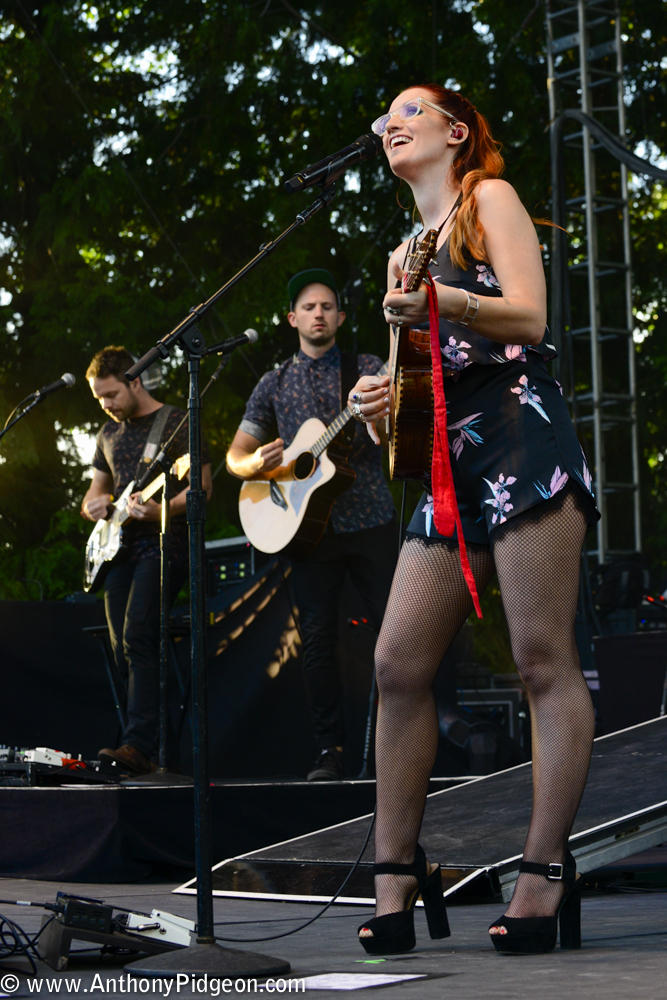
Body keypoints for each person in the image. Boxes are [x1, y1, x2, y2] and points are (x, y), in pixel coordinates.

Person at [350, 85, 598, 956]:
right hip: (446, 462)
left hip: (520, 433)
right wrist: (380, 403)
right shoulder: (401, 254)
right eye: (385, 118)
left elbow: (529, 318)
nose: (391, 124)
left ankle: (543, 871)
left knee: (539, 658)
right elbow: (412, 397)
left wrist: (443, 304)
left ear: (454, 132)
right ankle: (394, 875)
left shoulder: (486, 198)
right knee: (396, 663)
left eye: (409, 111)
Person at [226, 269, 397, 781]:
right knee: (317, 643)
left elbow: (394, 429)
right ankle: (330, 751)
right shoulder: (274, 382)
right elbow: (235, 456)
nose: (318, 314)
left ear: (340, 317)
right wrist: (255, 463)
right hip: (306, 530)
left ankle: (405, 744)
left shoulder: (369, 369)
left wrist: (381, 414)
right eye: (309, 307)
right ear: (292, 318)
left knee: (399, 631)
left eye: (327, 306)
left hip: (370, 517)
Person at [81, 346, 212, 775]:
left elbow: (202, 488)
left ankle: (138, 745)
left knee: (138, 633)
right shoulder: (107, 433)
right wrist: (95, 505)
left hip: (164, 545)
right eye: (99, 397)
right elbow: (94, 494)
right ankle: (154, 751)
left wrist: (160, 510)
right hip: (118, 553)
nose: (106, 404)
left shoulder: (177, 422)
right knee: (124, 648)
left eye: (111, 394)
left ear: (135, 381)